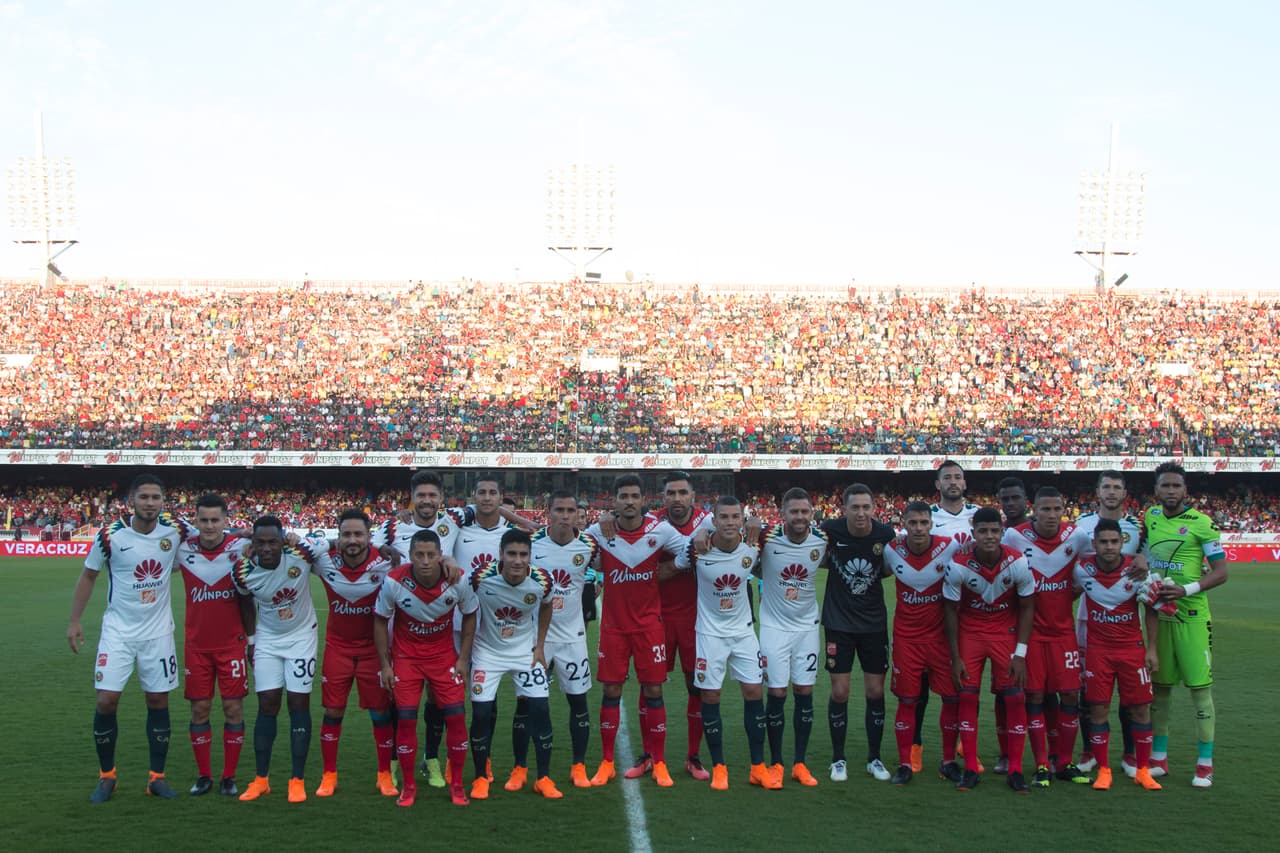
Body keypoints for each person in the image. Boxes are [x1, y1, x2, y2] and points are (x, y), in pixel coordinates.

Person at [68, 474, 185, 802]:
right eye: (144, 497)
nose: (150, 503)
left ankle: (157, 778)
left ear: (163, 501)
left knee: (158, 700)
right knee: (106, 700)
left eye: (156, 497)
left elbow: (212, 535)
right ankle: (107, 777)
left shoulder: (176, 531)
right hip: (117, 632)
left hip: (158, 633)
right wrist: (74, 620)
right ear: (131, 500)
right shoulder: (110, 536)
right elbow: (88, 575)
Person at [584, 473, 688, 788]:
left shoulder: (661, 530)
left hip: (649, 627)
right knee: (611, 691)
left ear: (643, 500)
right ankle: (607, 763)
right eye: (623, 497)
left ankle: (659, 762)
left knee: (654, 691)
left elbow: (691, 549)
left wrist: (671, 568)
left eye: (634, 496)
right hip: (613, 628)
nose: (629, 502)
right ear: (614, 501)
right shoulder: (598, 532)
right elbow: (576, 551)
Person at [673, 496, 773, 790]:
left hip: (743, 632)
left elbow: (784, 529)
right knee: (710, 696)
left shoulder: (754, 545)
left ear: (742, 520)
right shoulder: (696, 549)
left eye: (735, 517)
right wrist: (699, 534)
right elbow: (675, 566)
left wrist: (757, 522)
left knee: (754, 692)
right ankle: (719, 768)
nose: (730, 522)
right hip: (709, 634)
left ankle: (758, 767)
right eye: (724, 517)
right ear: (713, 521)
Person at [374, 529, 477, 807]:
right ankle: (409, 786)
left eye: (431, 554)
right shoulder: (394, 581)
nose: (426, 560)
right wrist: (385, 665)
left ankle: (457, 785)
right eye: (419, 554)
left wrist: (463, 659)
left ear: (441, 555)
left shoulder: (458, 579)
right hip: (406, 659)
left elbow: (470, 615)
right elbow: (380, 621)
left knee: (456, 717)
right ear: (410, 556)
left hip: (443, 658)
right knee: (406, 719)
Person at [1144, 461, 1228, 788]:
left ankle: (1205, 765)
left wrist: (1186, 590)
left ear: (1185, 490)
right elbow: (1143, 556)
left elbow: (1221, 572)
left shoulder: (1202, 524)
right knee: (1160, 692)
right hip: (1160, 617)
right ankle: (1158, 759)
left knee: (1200, 692)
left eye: (1176, 485)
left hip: (1192, 618)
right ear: (1156, 490)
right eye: (1165, 485)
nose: (1170, 491)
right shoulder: (1150, 518)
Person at [232, 516, 325, 803]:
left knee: (298, 703)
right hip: (267, 640)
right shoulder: (242, 571)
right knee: (267, 703)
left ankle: (297, 780)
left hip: (301, 638)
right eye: (260, 542)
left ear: (282, 540)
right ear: (252, 543)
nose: (266, 548)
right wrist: (251, 641)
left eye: (272, 541)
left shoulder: (301, 553)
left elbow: (338, 544)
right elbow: (245, 602)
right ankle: (261, 779)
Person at [943, 507, 1035, 793]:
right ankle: (971, 768)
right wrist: (955, 657)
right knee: (967, 697)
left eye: (995, 530)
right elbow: (950, 611)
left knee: (1015, 698)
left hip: (1004, 634)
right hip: (971, 634)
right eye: (983, 531)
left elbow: (1028, 607)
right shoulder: (958, 564)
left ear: (1002, 532)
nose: (989, 536)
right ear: (973, 533)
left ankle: (1015, 769)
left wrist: (1020, 653)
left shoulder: (1017, 561)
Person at [1002, 487, 1088, 787]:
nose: (1052, 515)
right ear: (1033, 510)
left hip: (1063, 632)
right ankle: (1041, 764)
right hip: (1031, 634)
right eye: (1045, 509)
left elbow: (1095, 566)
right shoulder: (1014, 536)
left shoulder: (1077, 536)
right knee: (1035, 696)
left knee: (1070, 695)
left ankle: (1064, 761)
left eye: (1057, 509)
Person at [466, 529, 560, 800]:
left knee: (541, 710)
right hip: (487, 653)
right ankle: (480, 777)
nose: (517, 560)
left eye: (523, 554)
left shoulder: (542, 580)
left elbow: (547, 607)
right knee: (481, 714)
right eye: (511, 554)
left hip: (525, 653)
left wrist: (540, 646)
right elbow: (464, 606)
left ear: (530, 556)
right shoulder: (479, 577)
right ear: (501, 554)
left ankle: (543, 777)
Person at [1073, 519, 1163, 792]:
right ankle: (1104, 770)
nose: (1109, 546)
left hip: (1131, 650)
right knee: (1098, 709)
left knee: (1140, 708)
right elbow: (1064, 594)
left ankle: (1143, 770)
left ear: (1122, 542)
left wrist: (1152, 649)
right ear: (1094, 544)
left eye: (1114, 541)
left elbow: (1152, 609)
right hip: (1098, 651)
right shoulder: (1082, 569)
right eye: (1104, 542)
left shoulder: (1137, 570)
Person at [518, 491, 599, 789]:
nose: (565, 515)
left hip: (573, 638)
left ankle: (578, 766)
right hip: (536, 638)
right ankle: (523, 769)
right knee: (528, 703)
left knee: (578, 701)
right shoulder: (532, 543)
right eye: (559, 510)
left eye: (570, 510)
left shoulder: (589, 544)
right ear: (548, 512)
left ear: (577, 513)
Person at [314, 510, 397, 798]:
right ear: (338, 536)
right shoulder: (324, 561)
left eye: (358, 534)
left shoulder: (386, 562)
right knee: (333, 711)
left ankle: (384, 775)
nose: (352, 540)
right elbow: (293, 549)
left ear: (368, 536)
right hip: (337, 648)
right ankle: (329, 775)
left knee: (380, 712)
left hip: (374, 651)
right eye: (346, 534)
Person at [819, 483, 895, 782]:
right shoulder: (830, 531)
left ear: (874, 508)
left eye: (866, 507)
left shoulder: (885, 535)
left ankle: (874, 758)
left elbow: (889, 568)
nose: (861, 513)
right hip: (838, 624)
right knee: (840, 691)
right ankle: (838, 759)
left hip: (874, 624)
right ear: (844, 509)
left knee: (875, 691)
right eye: (855, 507)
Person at [1070, 470, 1144, 775]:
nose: (1111, 492)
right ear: (1098, 492)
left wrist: (1143, 559)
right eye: (1106, 487)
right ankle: (1089, 751)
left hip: (1125, 617)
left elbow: (1144, 561)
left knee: (1129, 691)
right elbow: (1070, 563)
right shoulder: (1080, 527)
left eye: (1117, 487)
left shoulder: (1138, 527)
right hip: (1089, 616)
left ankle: (1129, 754)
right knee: (1087, 687)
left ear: (1124, 493)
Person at [177, 493, 251, 797]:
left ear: (225, 521)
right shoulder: (183, 549)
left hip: (231, 645)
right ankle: (204, 775)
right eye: (204, 520)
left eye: (215, 520)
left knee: (233, 708)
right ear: (195, 520)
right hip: (196, 646)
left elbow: (273, 539)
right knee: (200, 709)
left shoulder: (240, 547)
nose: (209, 526)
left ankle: (229, 777)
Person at [884, 501, 961, 785]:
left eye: (923, 523)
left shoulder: (950, 547)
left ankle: (948, 761)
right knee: (907, 700)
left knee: (951, 698)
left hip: (940, 639)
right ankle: (905, 763)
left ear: (931, 524)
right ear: (903, 524)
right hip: (907, 638)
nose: (918, 528)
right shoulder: (892, 550)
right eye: (913, 523)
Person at [756, 487, 827, 787]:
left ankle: (800, 763)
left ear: (812, 513)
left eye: (804, 511)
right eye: (794, 511)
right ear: (782, 513)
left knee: (804, 690)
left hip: (807, 628)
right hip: (774, 627)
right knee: (776, 692)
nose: (799, 517)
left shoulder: (822, 540)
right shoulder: (766, 538)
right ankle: (777, 763)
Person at [647, 472, 714, 781]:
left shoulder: (708, 521)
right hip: (657, 616)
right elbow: (649, 572)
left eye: (682, 492)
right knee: (651, 684)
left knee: (695, 685)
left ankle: (693, 756)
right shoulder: (651, 522)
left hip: (695, 618)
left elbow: (737, 529)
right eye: (671, 493)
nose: (676, 498)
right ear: (663, 497)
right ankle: (650, 755)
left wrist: (751, 521)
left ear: (693, 496)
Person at [916, 461, 980, 772]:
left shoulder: (979, 516)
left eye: (958, 477)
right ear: (938, 484)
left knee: (965, 682)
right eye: (947, 478)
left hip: (972, 611)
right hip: (932, 610)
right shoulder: (927, 517)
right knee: (921, 685)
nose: (953, 482)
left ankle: (964, 745)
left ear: (964, 483)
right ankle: (914, 745)